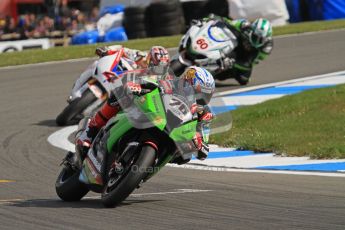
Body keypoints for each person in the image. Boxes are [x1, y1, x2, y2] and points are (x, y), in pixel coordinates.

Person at [75, 63, 215, 166]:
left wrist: (198, 141)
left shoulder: (204, 113)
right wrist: (137, 85)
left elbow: (204, 148)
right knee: (121, 92)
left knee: (186, 156)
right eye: (196, 90)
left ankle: (144, 166)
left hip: (173, 133)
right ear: (186, 81)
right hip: (152, 112)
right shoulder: (169, 81)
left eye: (203, 95)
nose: (198, 97)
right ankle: (90, 130)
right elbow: (147, 80)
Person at [194, 16, 273, 85]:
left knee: (243, 79)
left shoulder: (266, 48)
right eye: (255, 36)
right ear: (252, 30)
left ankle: (210, 75)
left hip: (245, 58)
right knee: (222, 58)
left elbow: (249, 64)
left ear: (266, 39)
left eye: (260, 39)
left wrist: (233, 62)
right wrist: (210, 19)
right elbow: (227, 21)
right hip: (234, 46)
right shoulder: (244, 25)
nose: (256, 40)